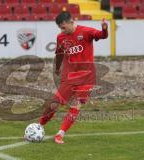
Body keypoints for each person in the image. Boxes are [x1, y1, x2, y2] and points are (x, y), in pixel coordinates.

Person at [39, 11, 108, 144]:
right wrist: (57, 68)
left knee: (75, 106)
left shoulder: (86, 31)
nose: (62, 30)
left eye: (63, 27)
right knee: (54, 103)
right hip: (69, 76)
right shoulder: (61, 37)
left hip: (86, 77)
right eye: (60, 28)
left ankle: (60, 134)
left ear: (71, 22)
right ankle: (39, 126)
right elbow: (59, 54)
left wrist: (104, 29)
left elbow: (102, 35)